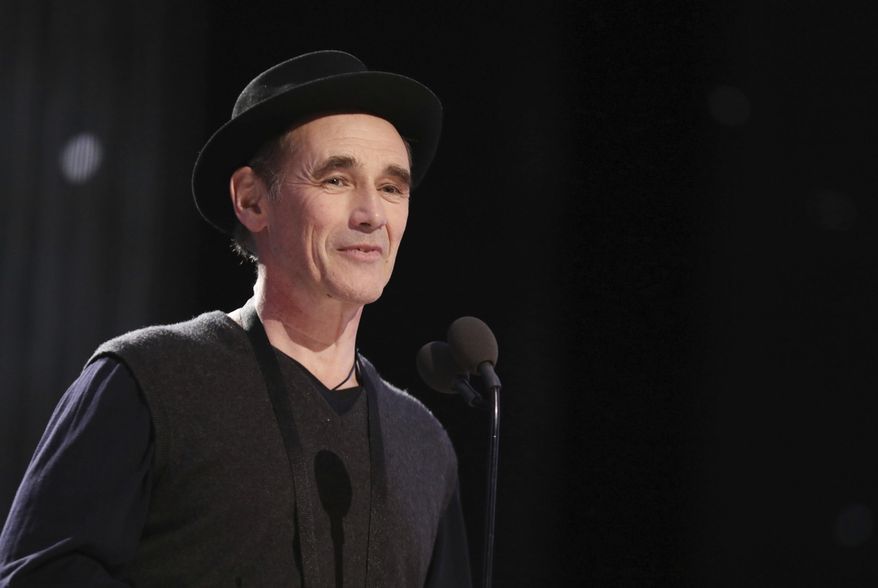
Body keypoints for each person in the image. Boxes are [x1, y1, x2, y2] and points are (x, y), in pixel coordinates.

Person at [0, 50, 471, 587]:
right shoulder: (151, 380)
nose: (371, 215)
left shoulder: (422, 443)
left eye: (392, 188)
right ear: (252, 201)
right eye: (337, 180)